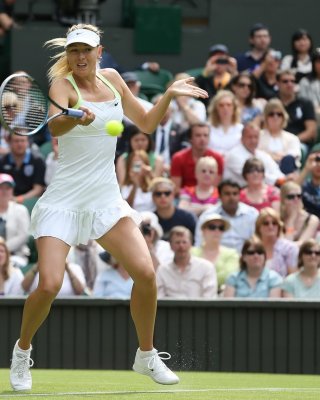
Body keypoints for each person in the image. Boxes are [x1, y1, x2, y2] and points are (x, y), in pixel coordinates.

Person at [9, 23, 208, 391]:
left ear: (100, 52)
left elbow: (147, 123)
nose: (80, 57)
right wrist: (73, 116)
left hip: (105, 200)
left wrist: (167, 95)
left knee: (146, 275)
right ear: (67, 54)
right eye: (74, 51)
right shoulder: (61, 86)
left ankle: (145, 356)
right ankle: (22, 352)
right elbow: (54, 129)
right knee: (49, 284)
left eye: (87, 50)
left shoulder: (114, 79)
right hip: (64, 201)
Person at [195, 180, 259, 252]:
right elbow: (199, 243)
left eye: (235, 194)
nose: (231, 197)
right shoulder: (208, 216)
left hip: (245, 258)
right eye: (227, 194)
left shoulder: (252, 214)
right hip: (216, 259)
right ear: (220, 196)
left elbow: (258, 242)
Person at [156, 226, 217, 299]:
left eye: (184, 242)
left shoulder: (206, 267)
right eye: (177, 242)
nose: (181, 246)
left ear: (191, 244)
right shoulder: (162, 270)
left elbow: (209, 298)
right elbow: (159, 298)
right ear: (171, 246)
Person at [223, 122, 285, 188]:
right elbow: (253, 176)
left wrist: (285, 179)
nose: (253, 140)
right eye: (250, 137)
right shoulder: (233, 155)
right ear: (242, 138)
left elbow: (276, 171)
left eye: (256, 137)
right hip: (237, 193)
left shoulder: (263, 155)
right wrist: (279, 180)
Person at [170, 123, 224, 194]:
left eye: (205, 135)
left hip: (210, 199)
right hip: (185, 198)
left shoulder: (218, 158)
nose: (202, 139)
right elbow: (176, 188)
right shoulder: (178, 158)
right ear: (190, 139)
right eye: (198, 135)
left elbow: (215, 188)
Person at [191, 213, 239, 293]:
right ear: (203, 231)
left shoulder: (231, 254)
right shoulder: (192, 252)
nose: (217, 231)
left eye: (221, 228)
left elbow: (229, 276)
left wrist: (200, 279)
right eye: (212, 227)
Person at [0, 133, 46, 204]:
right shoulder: (3, 161)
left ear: (28, 142)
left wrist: (18, 199)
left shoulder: (37, 161)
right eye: (16, 141)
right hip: (7, 201)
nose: (19, 144)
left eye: (22, 140)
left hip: (30, 202)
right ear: (9, 142)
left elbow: (38, 190)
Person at [277, 69, 317, 148]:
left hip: (299, 143)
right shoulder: (273, 103)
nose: (290, 84)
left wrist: (293, 141)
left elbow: (311, 131)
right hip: (276, 141)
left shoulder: (305, 103)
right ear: (278, 83)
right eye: (285, 81)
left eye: (292, 81)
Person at [255, 207, 298, 277]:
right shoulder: (252, 248)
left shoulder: (289, 248)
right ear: (258, 227)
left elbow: (293, 278)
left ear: (279, 226)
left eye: (274, 223)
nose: (270, 226)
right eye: (266, 223)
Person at [150, 177, 197, 241]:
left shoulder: (188, 217)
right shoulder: (150, 220)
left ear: (173, 195)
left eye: (167, 193)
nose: (163, 196)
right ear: (153, 197)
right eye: (158, 194)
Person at [259, 98, 301, 168]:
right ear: (266, 117)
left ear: (283, 117)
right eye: (271, 114)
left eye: (279, 114)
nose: (275, 117)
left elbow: (294, 156)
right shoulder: (258, 136)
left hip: (287, 174)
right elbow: (256, 154)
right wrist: (275, 157)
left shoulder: (292, 138)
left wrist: (272, 156)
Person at [0, 173, 30, 267]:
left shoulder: (21, 210)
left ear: (12, 190)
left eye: (8, 188)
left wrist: (3, 249)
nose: (4, 191)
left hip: (16, 256)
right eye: (1, 187)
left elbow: (23, 236)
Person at [280, 181, 319, 245]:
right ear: (283, 200)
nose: (296, 199)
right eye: (291, 197)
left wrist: (292, 218)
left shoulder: (312, 220)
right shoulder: (278, 219)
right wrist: (291, 219)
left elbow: (301, 244)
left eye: (299, 196)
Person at [207, 90, 243, 155]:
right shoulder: (207, 127)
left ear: (234, 108)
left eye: (229, 105)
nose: (225, 108)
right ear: (216, 109)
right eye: (221, 105)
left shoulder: (241, 129)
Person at [22, 261, 87, 297]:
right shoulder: (38, 267)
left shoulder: (75, 268)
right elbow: (24, 287)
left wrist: (68, 269)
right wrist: (37, 266)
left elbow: (80, 291)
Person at [297, 144, 320, 218]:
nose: (319, 165)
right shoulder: (304, 184)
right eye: (317, 160)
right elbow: (291, 191)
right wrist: (306, 168)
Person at [299, 48, 320, 122]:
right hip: (313, 118)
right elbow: (305, 105)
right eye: (318, 61)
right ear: (313, 63)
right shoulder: (305, 82)